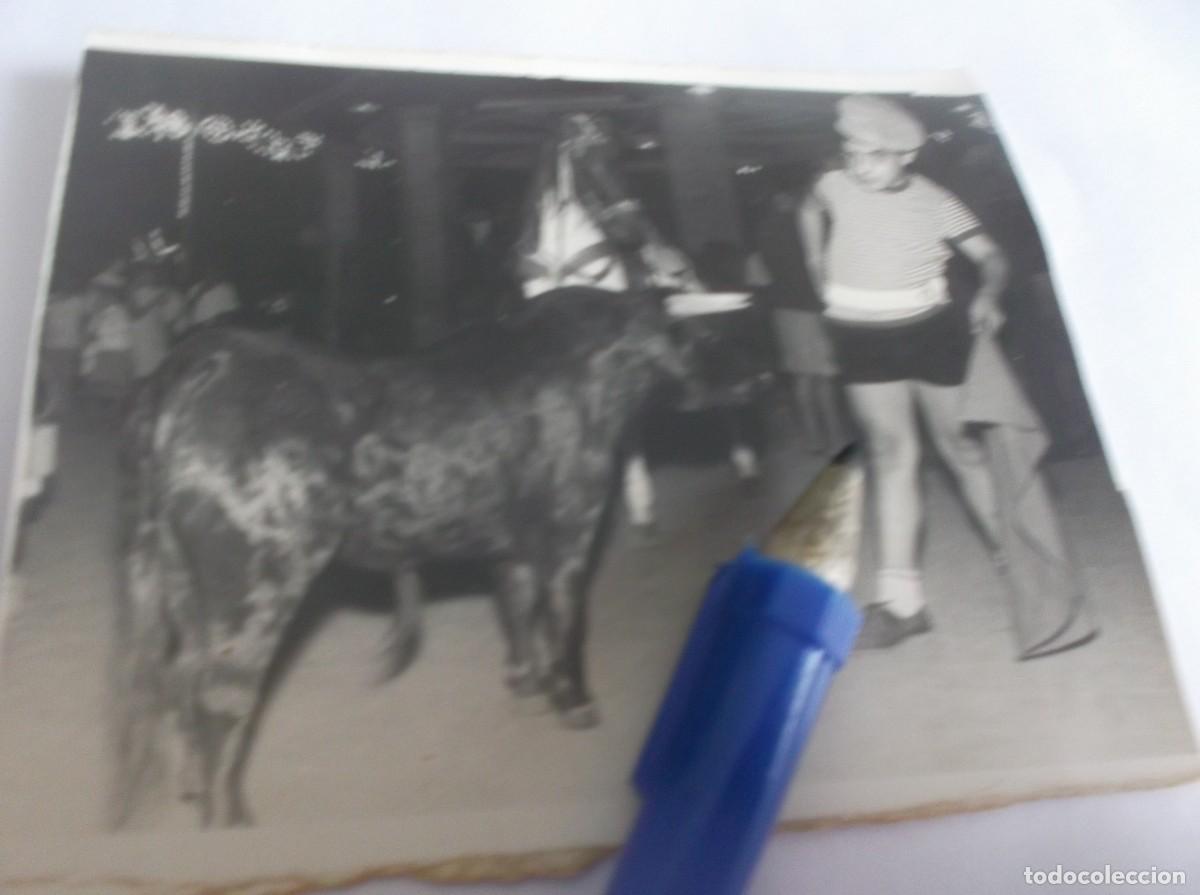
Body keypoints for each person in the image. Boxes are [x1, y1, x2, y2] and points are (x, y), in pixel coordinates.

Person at [800, 94, 1009, 649]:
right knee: (892, 455)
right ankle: (901, 603)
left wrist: (989, 294)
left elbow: (991, 256)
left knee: (960, 449)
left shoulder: (935, 202)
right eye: (851, 153)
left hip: (929, 332)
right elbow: (808, 209)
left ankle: (1016, 560)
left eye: (874, 156)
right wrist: (815, 262)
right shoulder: (833, 186)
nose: (859, 166)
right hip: (862, 338)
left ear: (906, 155)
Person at [745, 182, 843, 454]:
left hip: (785, 310)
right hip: (813, 307)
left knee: (803, 377)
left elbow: (760, 278)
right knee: (824, 377)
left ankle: (813, 439)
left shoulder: (765, 232)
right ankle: (835, 437)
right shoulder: (806, 226)